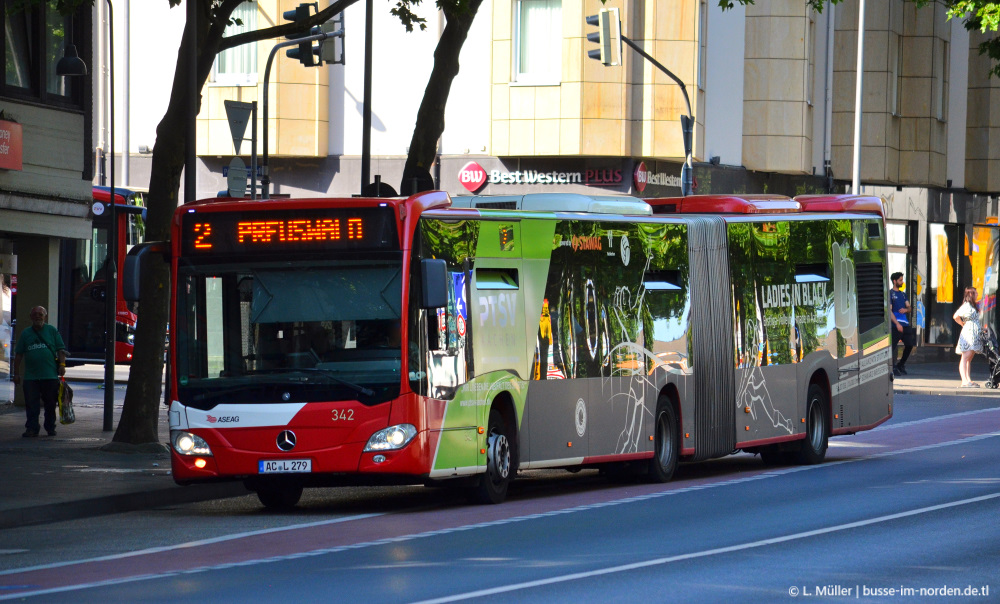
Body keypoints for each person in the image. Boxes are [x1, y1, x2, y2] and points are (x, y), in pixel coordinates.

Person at [12, 306, 66, 437]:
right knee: (31, 405)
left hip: (50, 376)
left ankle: (50, 427)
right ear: (31, 317)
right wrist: (16, 374)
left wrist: (62, 365)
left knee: (50, 404)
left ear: (45, 317)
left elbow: (61, 349)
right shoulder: (26, 333)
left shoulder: (51, 330)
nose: (38, 316)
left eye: (40, 314)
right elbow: (18, 355)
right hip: (31, 377)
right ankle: (32, 428)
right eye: (35, 314)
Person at [953, 287, 984, 388]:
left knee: (969, 357)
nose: (977, 294)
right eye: (975, 293)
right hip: (969, 333)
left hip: (974, 332)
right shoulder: (966, 306)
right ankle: (964, 380)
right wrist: (962, 324)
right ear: (970, 294)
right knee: (966, 356)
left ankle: (968, 379)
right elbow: (955, 316)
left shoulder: (972, 305)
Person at [889, 272, 913, 375]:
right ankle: (892, 367)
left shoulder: (903, 294)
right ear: (894, 281)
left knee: (910, 344)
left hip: (905, 323)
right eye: (900, 280)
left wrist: (906, 310)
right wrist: (897, 323)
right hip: (895, 324)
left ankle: (901, 364)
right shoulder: (890, 294)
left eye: (902, 280)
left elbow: (910, 308)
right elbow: (889, 311)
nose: (902, 282)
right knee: (893, 346)